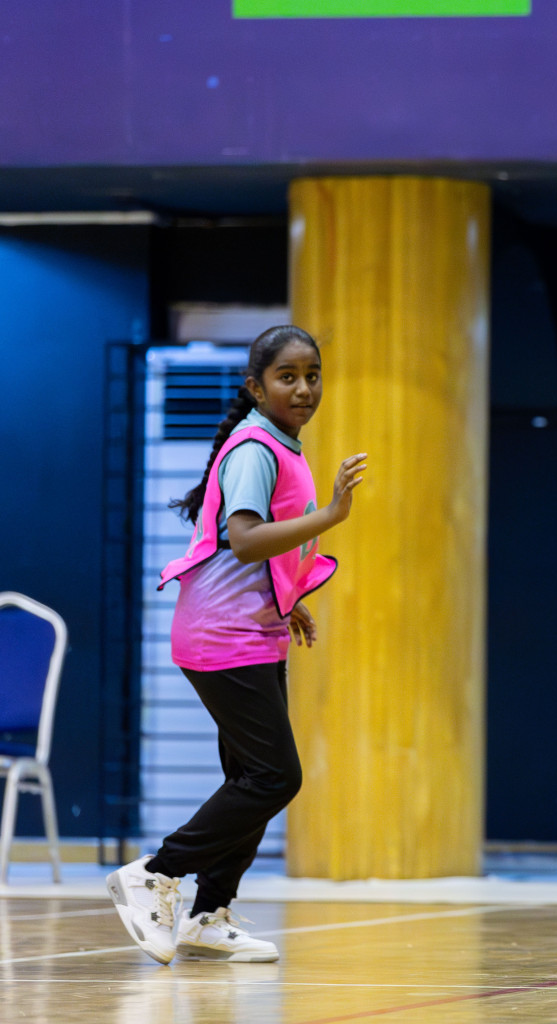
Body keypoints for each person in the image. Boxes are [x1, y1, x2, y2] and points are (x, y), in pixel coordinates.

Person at [106, 325, 367, 964]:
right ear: (256, 386)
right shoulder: (256, 447)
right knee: (276, 776)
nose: (303, 388)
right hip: (222, 636)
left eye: (312, 375)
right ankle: (155, 874)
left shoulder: (280, 444)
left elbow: (247, 554)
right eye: (288, 376)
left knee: (248, 776)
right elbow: (247, 537)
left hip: (251, 630)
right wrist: (332, 516)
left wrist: (290, 598)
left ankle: (207, 913)